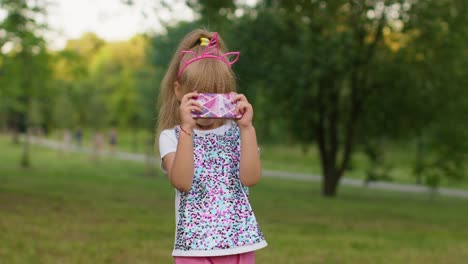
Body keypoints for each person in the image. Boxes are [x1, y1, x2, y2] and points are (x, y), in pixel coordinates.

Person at [157, 29, 267, 264]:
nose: (207, 105)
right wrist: (187, 129)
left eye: (215, 96)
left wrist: (247, 129)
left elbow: (251, 178)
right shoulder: (172, 136)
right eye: (199, 96)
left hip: (240, 242)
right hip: (193, 248)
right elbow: (182, 182)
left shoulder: (238, 133)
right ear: (179, 91)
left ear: (230, 94)